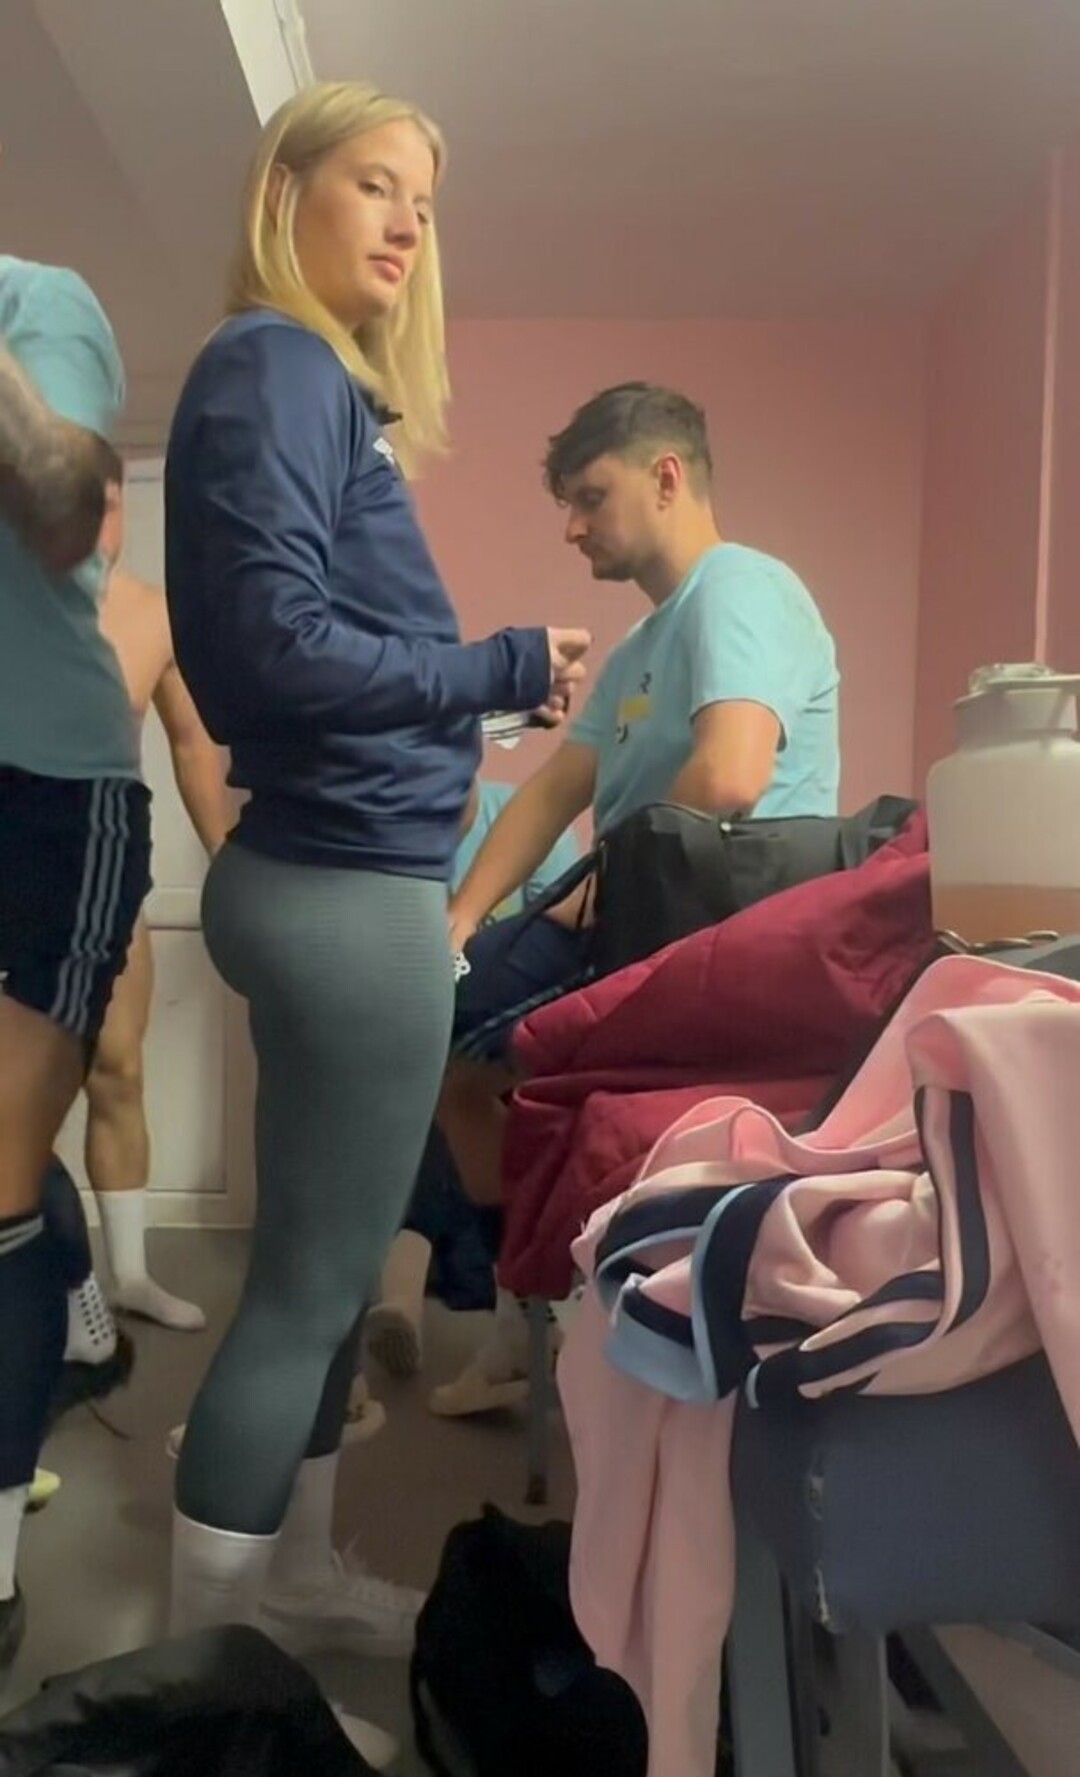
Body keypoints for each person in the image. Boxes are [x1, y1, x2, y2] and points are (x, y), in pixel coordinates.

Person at [162, 81, 590, 1665]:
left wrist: (474, 685)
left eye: (425, 198)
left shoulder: (310, 385)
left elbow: (308, 643)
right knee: (305, 1292)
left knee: (329, 1281)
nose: (409, 220)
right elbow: (269, 651)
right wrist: (491, 667)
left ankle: (287, 1584)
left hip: (340, 878)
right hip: (346, 893)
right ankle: (206, 1690)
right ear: (287, 193)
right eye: (374, 182)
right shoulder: (275, 363)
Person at [434, 380, 841, 1411]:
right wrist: (460, 920)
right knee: (436, 1031)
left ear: (666, 477)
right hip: (636, 917)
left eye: (590, 497)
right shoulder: (644, 646)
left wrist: (606, 883)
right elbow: (550, 793)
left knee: (435, 1036)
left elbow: (733, 774)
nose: (572, 527)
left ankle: (537, 1316)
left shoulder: (741, 588)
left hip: (707, 933)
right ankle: (525, 1314)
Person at [0, 259, 151, 1676]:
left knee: (4, 1163)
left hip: (46, 791)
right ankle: (81, 1310)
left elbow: (55, 513)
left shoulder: (39, 305)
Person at [364, 777, 580, 1382]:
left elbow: (558, 932)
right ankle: (411, 1299)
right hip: (411, 1036)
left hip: (502, 1040)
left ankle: (401, 1295)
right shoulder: (383, 826)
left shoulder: (519, 813)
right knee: (421, 1097)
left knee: (440, 1096)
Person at [81, 460, 230, 1332]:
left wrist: (227, 861)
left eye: (105, 505)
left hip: (105, 872)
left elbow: (192, 745)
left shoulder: (154, 614)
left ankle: (129, 1275)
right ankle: (42, 1282)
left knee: (119, 1070)